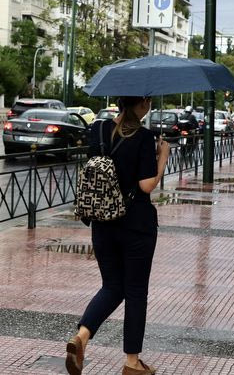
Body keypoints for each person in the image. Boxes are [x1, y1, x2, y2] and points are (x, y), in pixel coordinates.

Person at [66, 96, 170, 375]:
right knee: (135, 292)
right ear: (143, 104)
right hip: (135, 224)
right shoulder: (145, 137)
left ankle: (82, 337)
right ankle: (132, 362)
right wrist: (162, 158)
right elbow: (146, 186)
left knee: (112, 285)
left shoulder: (98, 129)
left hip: (102, 222)